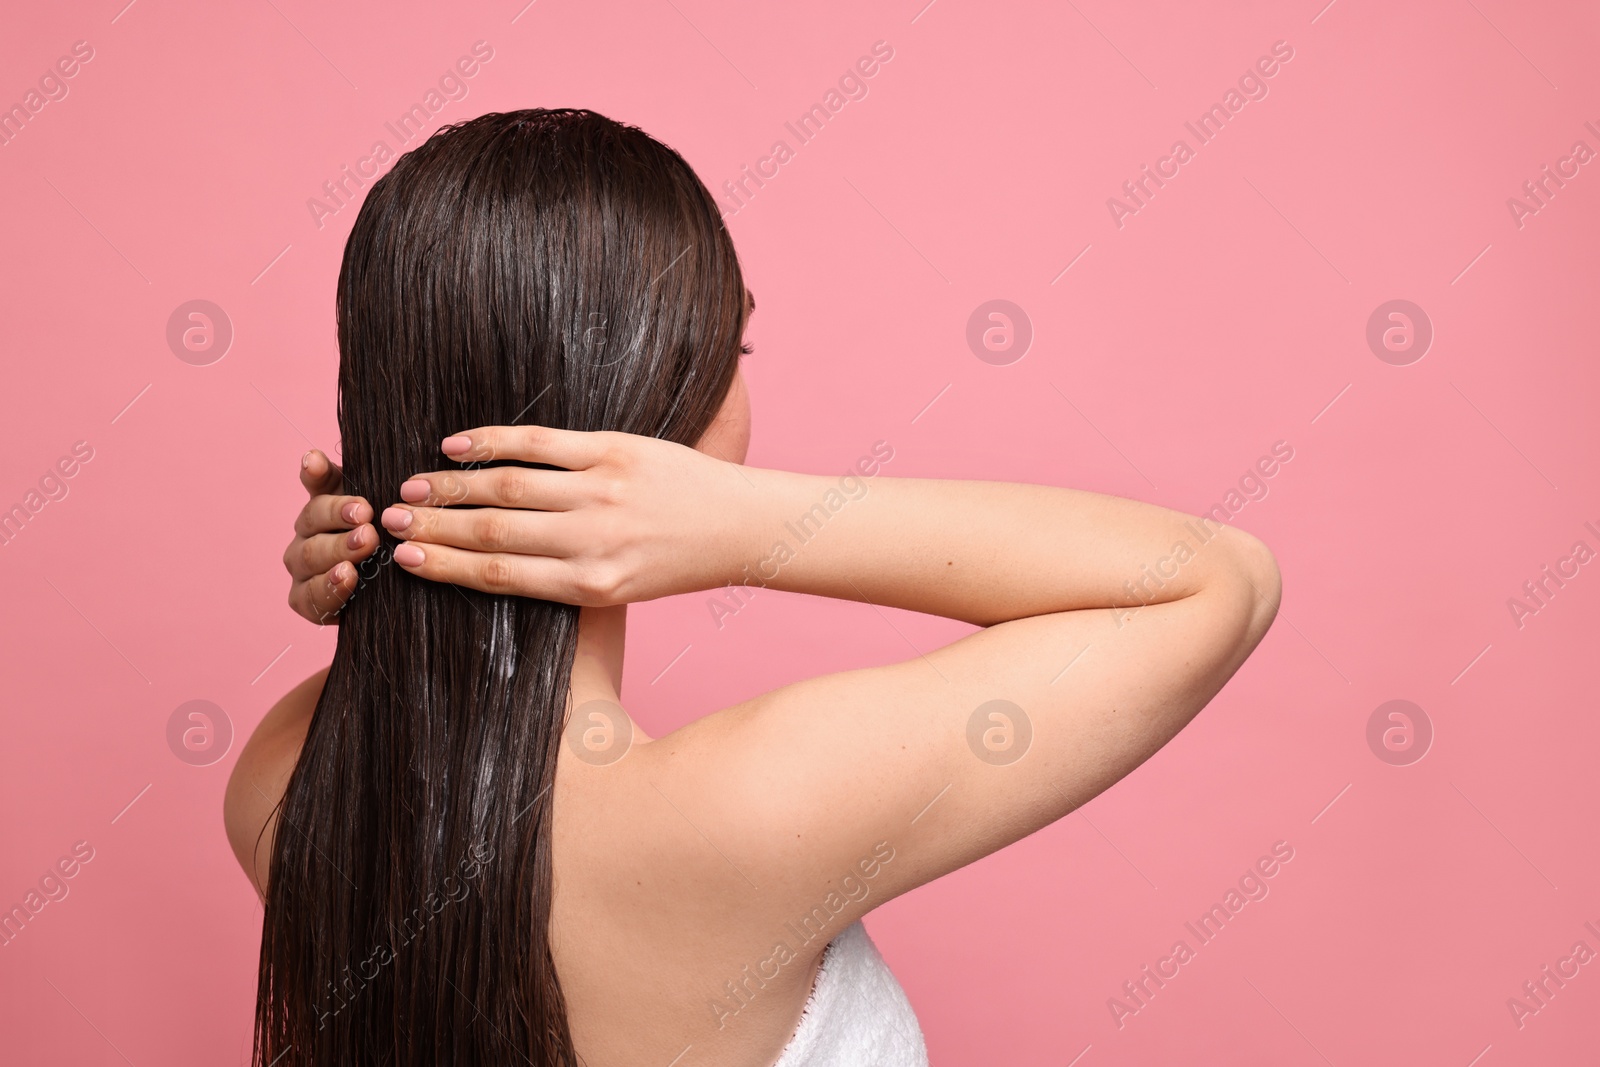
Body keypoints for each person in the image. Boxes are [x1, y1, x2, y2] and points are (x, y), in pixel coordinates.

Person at [226, 108, 1281, 1067]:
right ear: (655, 411)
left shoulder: (285, 786)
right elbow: (1216, 580)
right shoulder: (749, 810)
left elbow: (412, 708)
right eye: (731, 345)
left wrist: (376, 577)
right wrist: (745, 525)